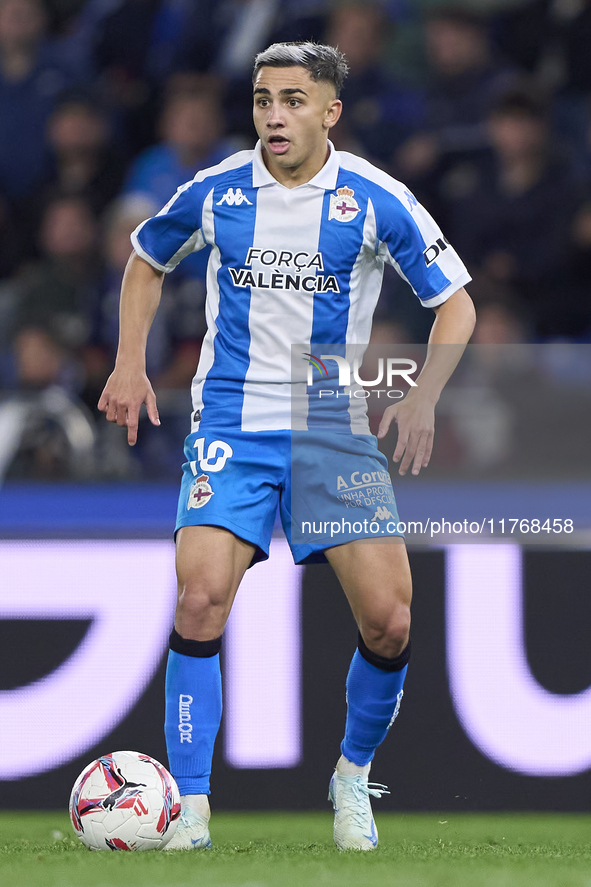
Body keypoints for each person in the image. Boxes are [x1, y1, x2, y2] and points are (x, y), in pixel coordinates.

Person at [98, 42, 476, 852]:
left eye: (293, 100)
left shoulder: (375, 199)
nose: (274, 114)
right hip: (232, 419)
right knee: (199, 599)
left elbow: (456, 305)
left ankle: (350, 774)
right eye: (265, 98)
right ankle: (190, 810)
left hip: (331, 424)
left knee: (390, 621)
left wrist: (422, 396)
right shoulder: (218, 189)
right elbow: (144, 260)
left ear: (329, 112)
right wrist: (130, 362)